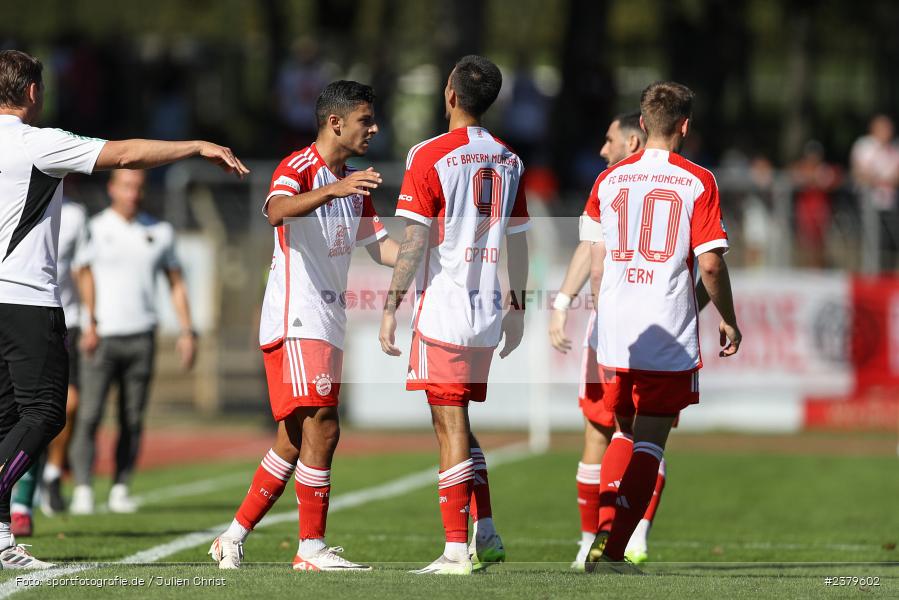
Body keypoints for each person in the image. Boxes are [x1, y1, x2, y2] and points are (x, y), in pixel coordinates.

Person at [0, 48, 247, 569]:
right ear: (32, 92)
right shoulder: (37, 143)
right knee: (45, 413)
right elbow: (127, 153)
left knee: (6, 422)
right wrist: (196, 145)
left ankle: (2, 540)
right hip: (25, 299)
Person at [209, 80, 397, 571]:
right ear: (335, 122)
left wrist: (433, 259)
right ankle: (310, 548)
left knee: (293, 441)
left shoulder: (354, 183)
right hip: (298, 317)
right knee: (325, 427)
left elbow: (382, 249)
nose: (374, 129)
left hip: (326, 320)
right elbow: (275, 210)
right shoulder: (300, 167)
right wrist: (333, 188)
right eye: (365, 121)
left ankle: (231, 538)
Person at [578, 81, 741, 572]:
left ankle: (597, 539)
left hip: (615, 333)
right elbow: (709, 265)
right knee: (649, 441)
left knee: (621, 435)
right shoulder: (698, 180)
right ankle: (613, 552)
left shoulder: (608, 180)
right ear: (685, 126)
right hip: (665, 333)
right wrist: (728, 319)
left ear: (643, 124)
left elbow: (597, 259)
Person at [379, 55, 530, 575]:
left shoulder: (429, 154)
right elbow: (519, 240)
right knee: (459, 419)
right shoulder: (511, 159)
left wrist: (391, 305)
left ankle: (454, 550)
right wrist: (518, 308)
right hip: (486, 309)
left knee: (448, 424)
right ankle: (484, 532)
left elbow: (417, 239)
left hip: (444, 307)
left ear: (449, 95)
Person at [67, 169, 197, 514]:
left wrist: (187, 330)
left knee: (132, 418)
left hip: (142, 335)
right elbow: (82, 275)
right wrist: (89, 322)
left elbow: (176, 283)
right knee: (90, 415)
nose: (132, 193)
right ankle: (82, 487)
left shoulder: (160, 231)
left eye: (137, 187)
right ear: (112, 188)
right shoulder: (95, 228)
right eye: (126, 186)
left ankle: (121, 487)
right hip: (102, 335)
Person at [10, 197, 90, 536]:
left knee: (53, 410)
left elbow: (83, 267)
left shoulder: (74, 213)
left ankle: (40, 486)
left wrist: (92, 319)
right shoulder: (12, 194)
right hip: (17, 313)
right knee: (21, 414)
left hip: (60, 318)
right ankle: (19, 502)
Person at [850, 115, 899, 271]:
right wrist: (883, 179)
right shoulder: (864, 146)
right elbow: (861, 174)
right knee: (872, 244)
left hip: (889, 204)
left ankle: (886, 275)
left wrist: (879, 178)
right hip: (869, 204)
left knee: (889, 245)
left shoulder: (894, 148)